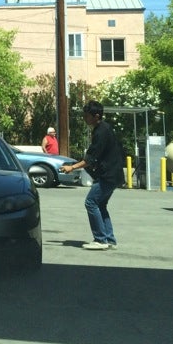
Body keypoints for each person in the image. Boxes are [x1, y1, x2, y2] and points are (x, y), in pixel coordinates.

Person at [62, 101, 125, 250]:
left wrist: (72, 167)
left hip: (108, 175)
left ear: (96, 116)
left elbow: (90, 158)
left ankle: (100, 240)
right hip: (113, 174)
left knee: (90, 202)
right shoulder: (105, 128)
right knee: (100, 205)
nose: (85, 118)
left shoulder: (101, 132)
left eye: (87, 116)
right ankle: (109, 240)